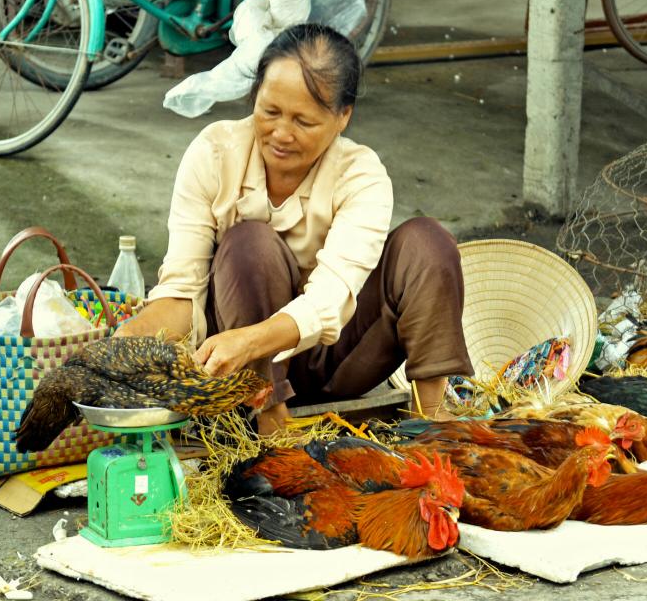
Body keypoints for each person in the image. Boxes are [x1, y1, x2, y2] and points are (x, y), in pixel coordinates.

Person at [117, 23, 473, 434]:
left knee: (427, 243)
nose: (281, 134)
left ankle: (433, 420)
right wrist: (130, 338)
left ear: (343, 117)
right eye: (269, 112)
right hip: (240, 374)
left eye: (303, 121)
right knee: (248, 243)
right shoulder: (215, 153)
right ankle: (268, 425)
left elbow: (329, 300)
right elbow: (182, 290)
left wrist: (251, 340)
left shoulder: (362, 175)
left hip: (341, 361)